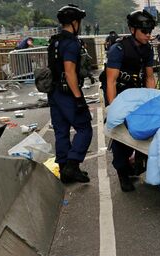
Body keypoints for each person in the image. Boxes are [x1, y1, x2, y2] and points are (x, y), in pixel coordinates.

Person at [105, 10, 156, 192]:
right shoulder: (118, 49)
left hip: (137, 94)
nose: (148, 35)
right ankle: (122, 172)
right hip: (118, 93)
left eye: (150, 31)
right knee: (121, 134)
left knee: (144, 129)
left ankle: (137, 163)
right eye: (145, 32)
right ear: (132, 29)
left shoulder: (148, 48)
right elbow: (110, 80)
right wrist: (112, 107)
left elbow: (150, 77)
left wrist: (153, 100)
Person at [48, 4, 92, 184]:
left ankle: (64, 168)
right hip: (68, 92)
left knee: (61, 131)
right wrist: (78, 98)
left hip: (54, 92)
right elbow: (69, 71)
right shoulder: (72, 43)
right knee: (85, 128)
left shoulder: (54, 41)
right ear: (75, 22)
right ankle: (72, 166)